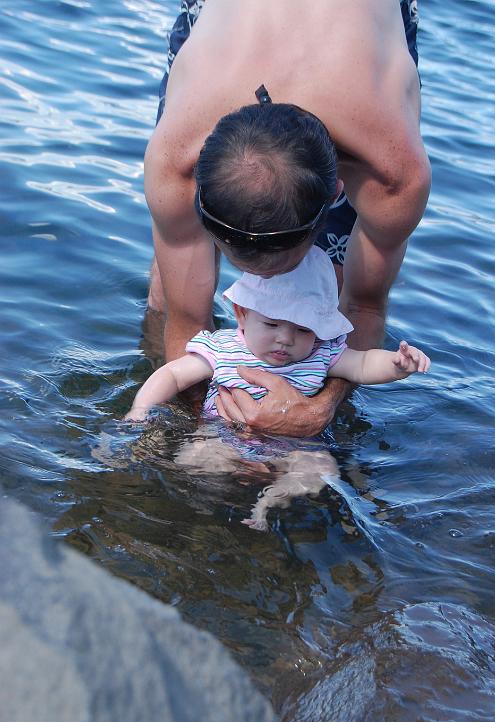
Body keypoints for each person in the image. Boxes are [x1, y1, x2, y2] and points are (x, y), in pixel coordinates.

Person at [144, 0, 431, 436]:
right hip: (222, 23)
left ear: (337, 192)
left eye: (281, 263)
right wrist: (201, 431)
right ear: (199, 188)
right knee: (173, 286)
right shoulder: (175, 158)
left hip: (364, 42)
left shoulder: (393, 171)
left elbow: (364, 304)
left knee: (322, 298)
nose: (265, 283)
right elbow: (185, 317)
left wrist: (318, 410)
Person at [127, 247, 430, 528]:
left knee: (321, 468)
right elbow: (173, 375)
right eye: (272, 324)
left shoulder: (321, 353)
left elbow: (363, 365)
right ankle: (202, 512)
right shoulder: (224, 349)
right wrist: (141, 409)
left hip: (294, 447)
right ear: (241, 314)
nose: (285, 339)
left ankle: (266, 505)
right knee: (198, 456)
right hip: (221, 435)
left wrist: (398, 365)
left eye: (303, 329)